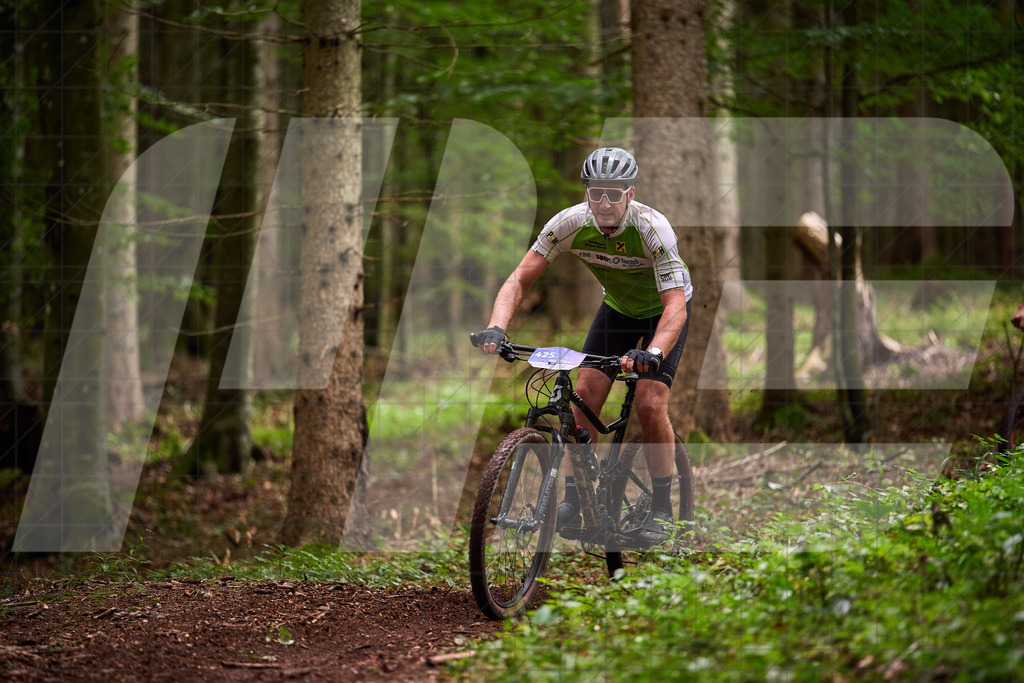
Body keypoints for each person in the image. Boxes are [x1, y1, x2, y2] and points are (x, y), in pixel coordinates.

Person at [474, 147, 692, 543]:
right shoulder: (570, 223)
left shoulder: (652, 228)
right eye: (596, 193)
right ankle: (575, 499)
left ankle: (662, 507)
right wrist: (496, 327)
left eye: (614, 193)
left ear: (630, 193)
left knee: (649, 401)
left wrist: (654, 353)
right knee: (585, 394)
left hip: (663, 314)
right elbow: (519, 279)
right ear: (587, 192)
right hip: (618, 311)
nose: (604, 203)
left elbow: (675, 303)